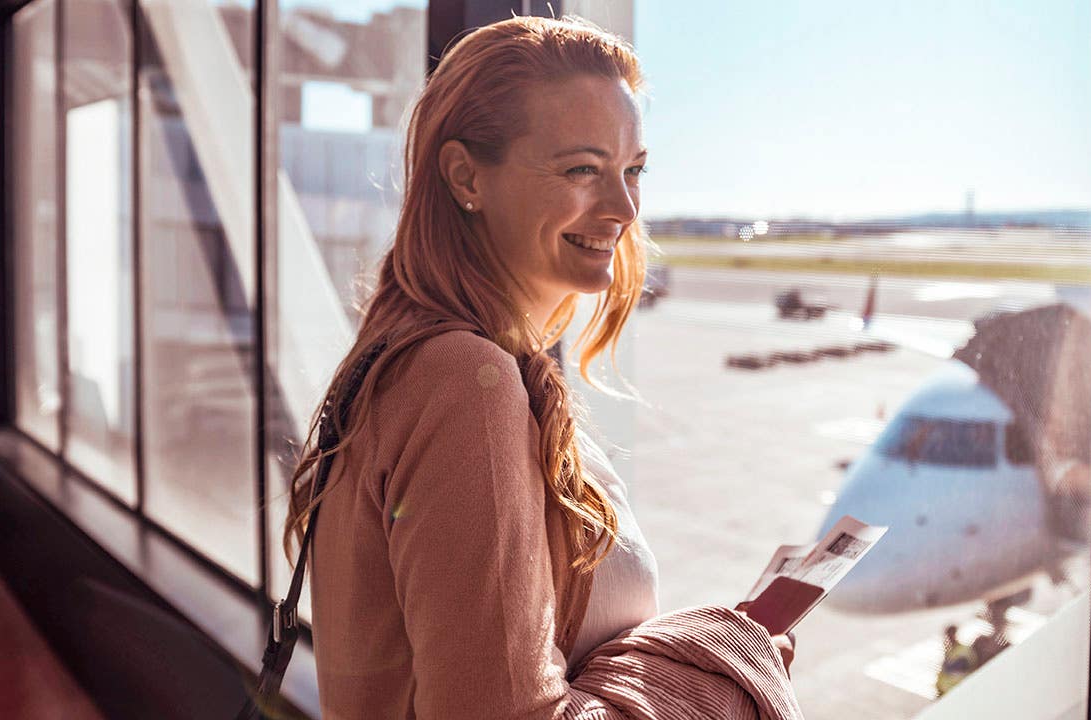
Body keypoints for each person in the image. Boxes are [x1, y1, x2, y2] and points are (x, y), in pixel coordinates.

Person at [281, 15, 797, 718]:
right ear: (467, 177)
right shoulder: (468, 382)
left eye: (633, 170)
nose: (623, 208)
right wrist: (723, 667)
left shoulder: (419, 357)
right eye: (581, 169)